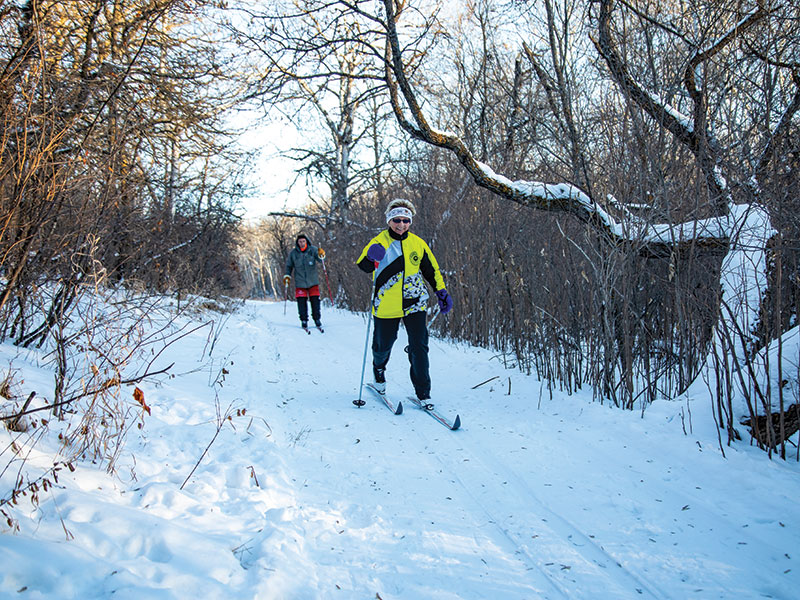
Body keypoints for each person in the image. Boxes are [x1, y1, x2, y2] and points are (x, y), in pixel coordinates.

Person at [356, 198, 453, 400]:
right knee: (383, 345)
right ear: (389, 220)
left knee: (419, 346)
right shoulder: (379, 242)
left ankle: (423, 393)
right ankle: (379, 371)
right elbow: (363, 267)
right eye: (397, 220)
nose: (401, 225)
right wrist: (371, 258)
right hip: (386, 303)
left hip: (414, 301)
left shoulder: (418, 243)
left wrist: (441, 292)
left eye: (406, 220)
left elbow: (431, 270)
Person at [284, 233, 326, 330]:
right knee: (301, 303)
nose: (302, 243)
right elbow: (289, 266)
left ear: (306, 241)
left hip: (313, 281)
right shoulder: (293, 254)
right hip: (300, 282)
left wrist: (321, 255)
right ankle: (303, 320)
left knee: (315, 302)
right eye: (300, 242)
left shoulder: (313, 250)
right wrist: (287, 276)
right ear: (297, 243)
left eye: (303, 241)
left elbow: (321, 260)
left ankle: (317, 319)